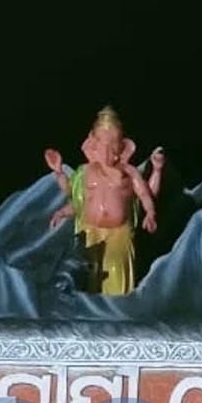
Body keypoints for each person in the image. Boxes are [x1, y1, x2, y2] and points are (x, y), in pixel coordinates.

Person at [48, 107, 164, 296]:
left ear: (122, 147)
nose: (106, 150)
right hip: (90, 232)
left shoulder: (129, 172)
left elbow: (145, 195)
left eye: (113, 145)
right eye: (101, 144)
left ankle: (115, 313)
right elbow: (76, 199)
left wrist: (151, 212)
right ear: (92, 146)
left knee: (114, 273)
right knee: (88, 274)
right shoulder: (85, 172)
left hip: (118, 234)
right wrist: (59, 173)